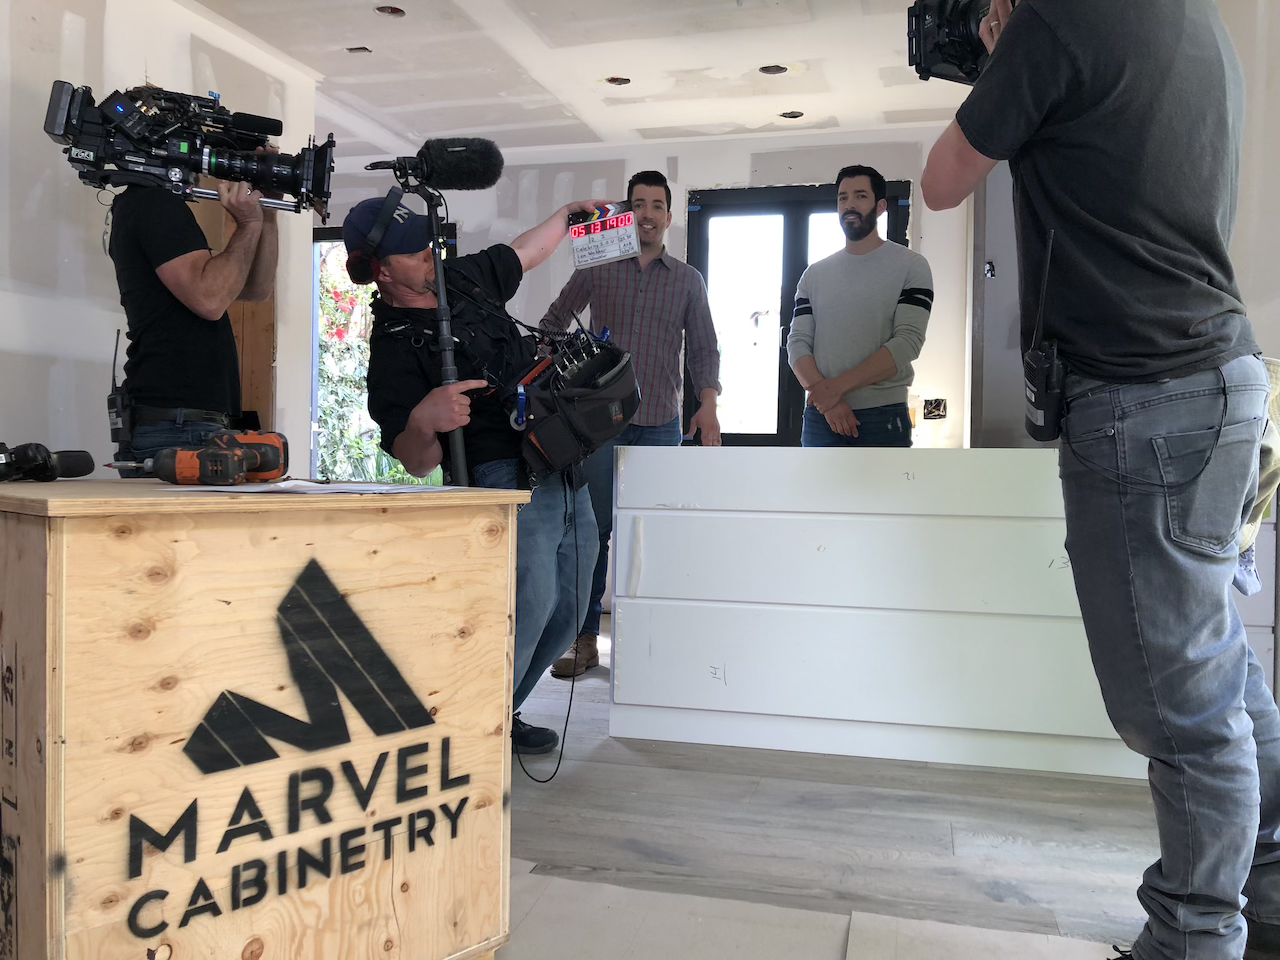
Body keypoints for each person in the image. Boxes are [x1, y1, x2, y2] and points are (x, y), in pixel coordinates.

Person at [920, 3, 1274, 958]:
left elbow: (943, 181)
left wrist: (1004, 49)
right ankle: (1270, 888)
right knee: (1218, 670)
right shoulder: (1198, 23)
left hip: (1142, 397)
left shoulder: (1057, 18)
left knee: (1178, 706)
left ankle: (1196, 937)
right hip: (1223, 377)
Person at [347, 192, 606, 755]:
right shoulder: (392, 350)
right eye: (414, 253)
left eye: (429, 245)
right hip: (502, 475)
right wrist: (425, 419)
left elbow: (524, 252)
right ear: (380, 271)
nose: (429, 257)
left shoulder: (460, 278)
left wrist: (566, 216)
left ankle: (498, 713)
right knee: (530, 606)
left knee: (569, 610)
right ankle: (473, 735)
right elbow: (417, 460)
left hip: (561, 456)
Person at [540, 170, 722, 680]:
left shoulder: (687, 280)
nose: (647, 214)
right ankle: (583, 638)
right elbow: (553, 323)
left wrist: (708, 403)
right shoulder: (598, 266)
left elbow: (704, 347)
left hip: (661, 422)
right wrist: (566, 382)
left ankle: (650, 639)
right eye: (638, 204)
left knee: (653, 533)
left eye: (657, 205)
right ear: (627, 212)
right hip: (599, 427)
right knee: (593, 532)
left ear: (669, 216)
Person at [109, 105, 278, 471]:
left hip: (187, 421)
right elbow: (210, 299)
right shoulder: (152, 203)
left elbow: (255, 288)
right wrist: (248, 225)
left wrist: (265, 214)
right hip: (176, 423)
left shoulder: (155, 205)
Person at [787, 165, 934, 447]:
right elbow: (797, 342)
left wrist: (834, 390)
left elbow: (907, 343)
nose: (849, 204)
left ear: (880, 207)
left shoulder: (911, 266)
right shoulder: (814, 275)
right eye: (842, 198)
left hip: (883, 416)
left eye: (860, 196)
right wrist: (829, 402)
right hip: (821, 417)